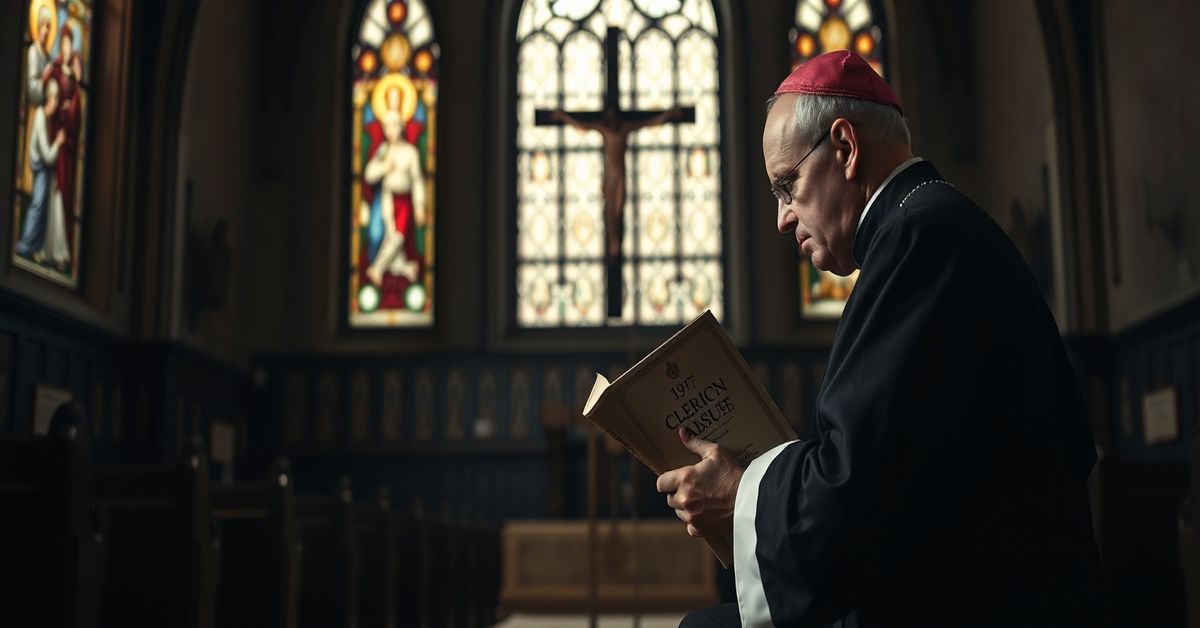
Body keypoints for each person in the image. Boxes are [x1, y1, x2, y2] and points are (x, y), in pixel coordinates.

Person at [657, 50, 1104, 627]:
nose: (782, 218)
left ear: (843, 148)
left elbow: (854, 487)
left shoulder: (921, 241)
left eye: (787, 186)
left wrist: (741, 493)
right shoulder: (932, 225)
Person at [363, 84, 426, 308]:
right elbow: (369, 174)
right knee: (392, 236)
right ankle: (405, 268)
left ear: (402, 126)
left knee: (398, 237)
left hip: (405, 200)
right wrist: (384, 167)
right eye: (387, 126)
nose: (391, 130)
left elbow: (418, 179)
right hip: (389, 198)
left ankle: (377, 268)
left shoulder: (410, 152)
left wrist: (419, 205)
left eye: (395, 125)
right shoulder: (382, 151)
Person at [15, 79, 66, 260]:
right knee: (37, 205)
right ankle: (24, 245)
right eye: (54, 99)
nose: (55, 103)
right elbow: (46, 154)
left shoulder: (45, 118)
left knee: (42, 207)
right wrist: (58, 144)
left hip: (43, 169)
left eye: (57, 100)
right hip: (41, 168)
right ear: (49, 98)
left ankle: (34, 246)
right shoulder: (39, 116)